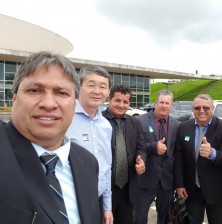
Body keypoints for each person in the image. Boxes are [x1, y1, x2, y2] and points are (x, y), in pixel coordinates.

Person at [0, 51, 100, 223]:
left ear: (74, 104)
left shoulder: (88, 163)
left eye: (61, 93)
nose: (48, 104)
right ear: (14, 98)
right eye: (34, 90)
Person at [174, 94, 222, 224]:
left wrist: (212, 153)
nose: (201, 111)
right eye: (197, 107)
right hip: (191, 190)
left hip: (217, 190)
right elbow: (178, 157)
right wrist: (179, 184)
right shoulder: (183, 127)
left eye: (206, 107)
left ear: (213, 108)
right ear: (193, 109)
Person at [67, 65, 113, 224]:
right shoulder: (65, 117)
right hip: (68, 202)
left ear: (108, 93)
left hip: (97, 202)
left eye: (103, 87)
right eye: (91, 85)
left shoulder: (106, 126)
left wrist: (107, 207)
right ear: (79, 87)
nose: (97, 91)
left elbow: (107, 167)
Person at [102, 84, 147, 224]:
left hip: (128, 189)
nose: (121, 105)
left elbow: (141, 148)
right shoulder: (98, 120)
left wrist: (142, 160)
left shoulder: (134, 122)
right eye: (117, 100)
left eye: (125, 102)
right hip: (105, 188)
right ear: (109, 99)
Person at [134, 90, 180, 224]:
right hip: (146, 179)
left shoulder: (177, 125)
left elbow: (177, 154)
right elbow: (135, 147)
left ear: (171, 106)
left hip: (167, 181)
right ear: (156, 103)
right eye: (161, 102)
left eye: (167, 103)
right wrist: (153, 147)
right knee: (139, 216)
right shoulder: (139, 121)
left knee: (165, 217)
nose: (164, 106)